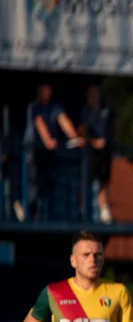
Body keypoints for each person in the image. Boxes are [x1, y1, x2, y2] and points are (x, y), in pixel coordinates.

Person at [17, 83, 83, 221]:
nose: (48, 93)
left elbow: (63, 120)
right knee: (32, 181)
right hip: (33, 150)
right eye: (45, 90)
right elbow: (39, 123)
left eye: (49, 90)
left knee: (47, 182)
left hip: (47, 154)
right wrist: (48, 140)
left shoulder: (54, 106)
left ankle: (40, 212)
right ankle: (25, 207)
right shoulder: (34, 106)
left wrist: (75, 137)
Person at [78, 85, 114, 224]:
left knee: (103, 181)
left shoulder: (107, 110)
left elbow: (113, 127)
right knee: (86, 181)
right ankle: (81, 211)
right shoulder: (86, 112)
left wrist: (109, 141)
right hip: (90, 154)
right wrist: (93, 142)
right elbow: (82, 129)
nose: (94, 97)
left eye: (96, 94)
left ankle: (105, 211)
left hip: (104, 154)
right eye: (91, 94)